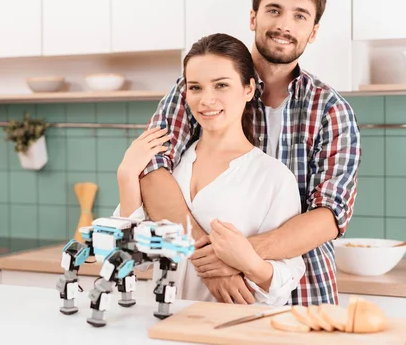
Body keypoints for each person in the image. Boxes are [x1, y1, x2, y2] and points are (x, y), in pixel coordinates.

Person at [135, 0, 362, 306]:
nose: (285, 25)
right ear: (253, 17)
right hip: (205, 292)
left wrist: (235, 259)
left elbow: (330, 213)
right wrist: (207, 258)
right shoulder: (203, 87)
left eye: (299, 16)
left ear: (313, 32)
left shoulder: (332, 110)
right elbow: (152, 167)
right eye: (274, 10)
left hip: (306, 292)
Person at [113, 33, 304, 306]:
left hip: (230, 330)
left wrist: (248, 262)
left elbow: (284, 284)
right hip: (165, 326)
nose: (206, 100)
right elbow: (132, 261)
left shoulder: (273, 178)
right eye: (196, 87)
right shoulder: (168, 169)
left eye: (221, 85)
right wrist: (127, 176)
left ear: (248, 89)